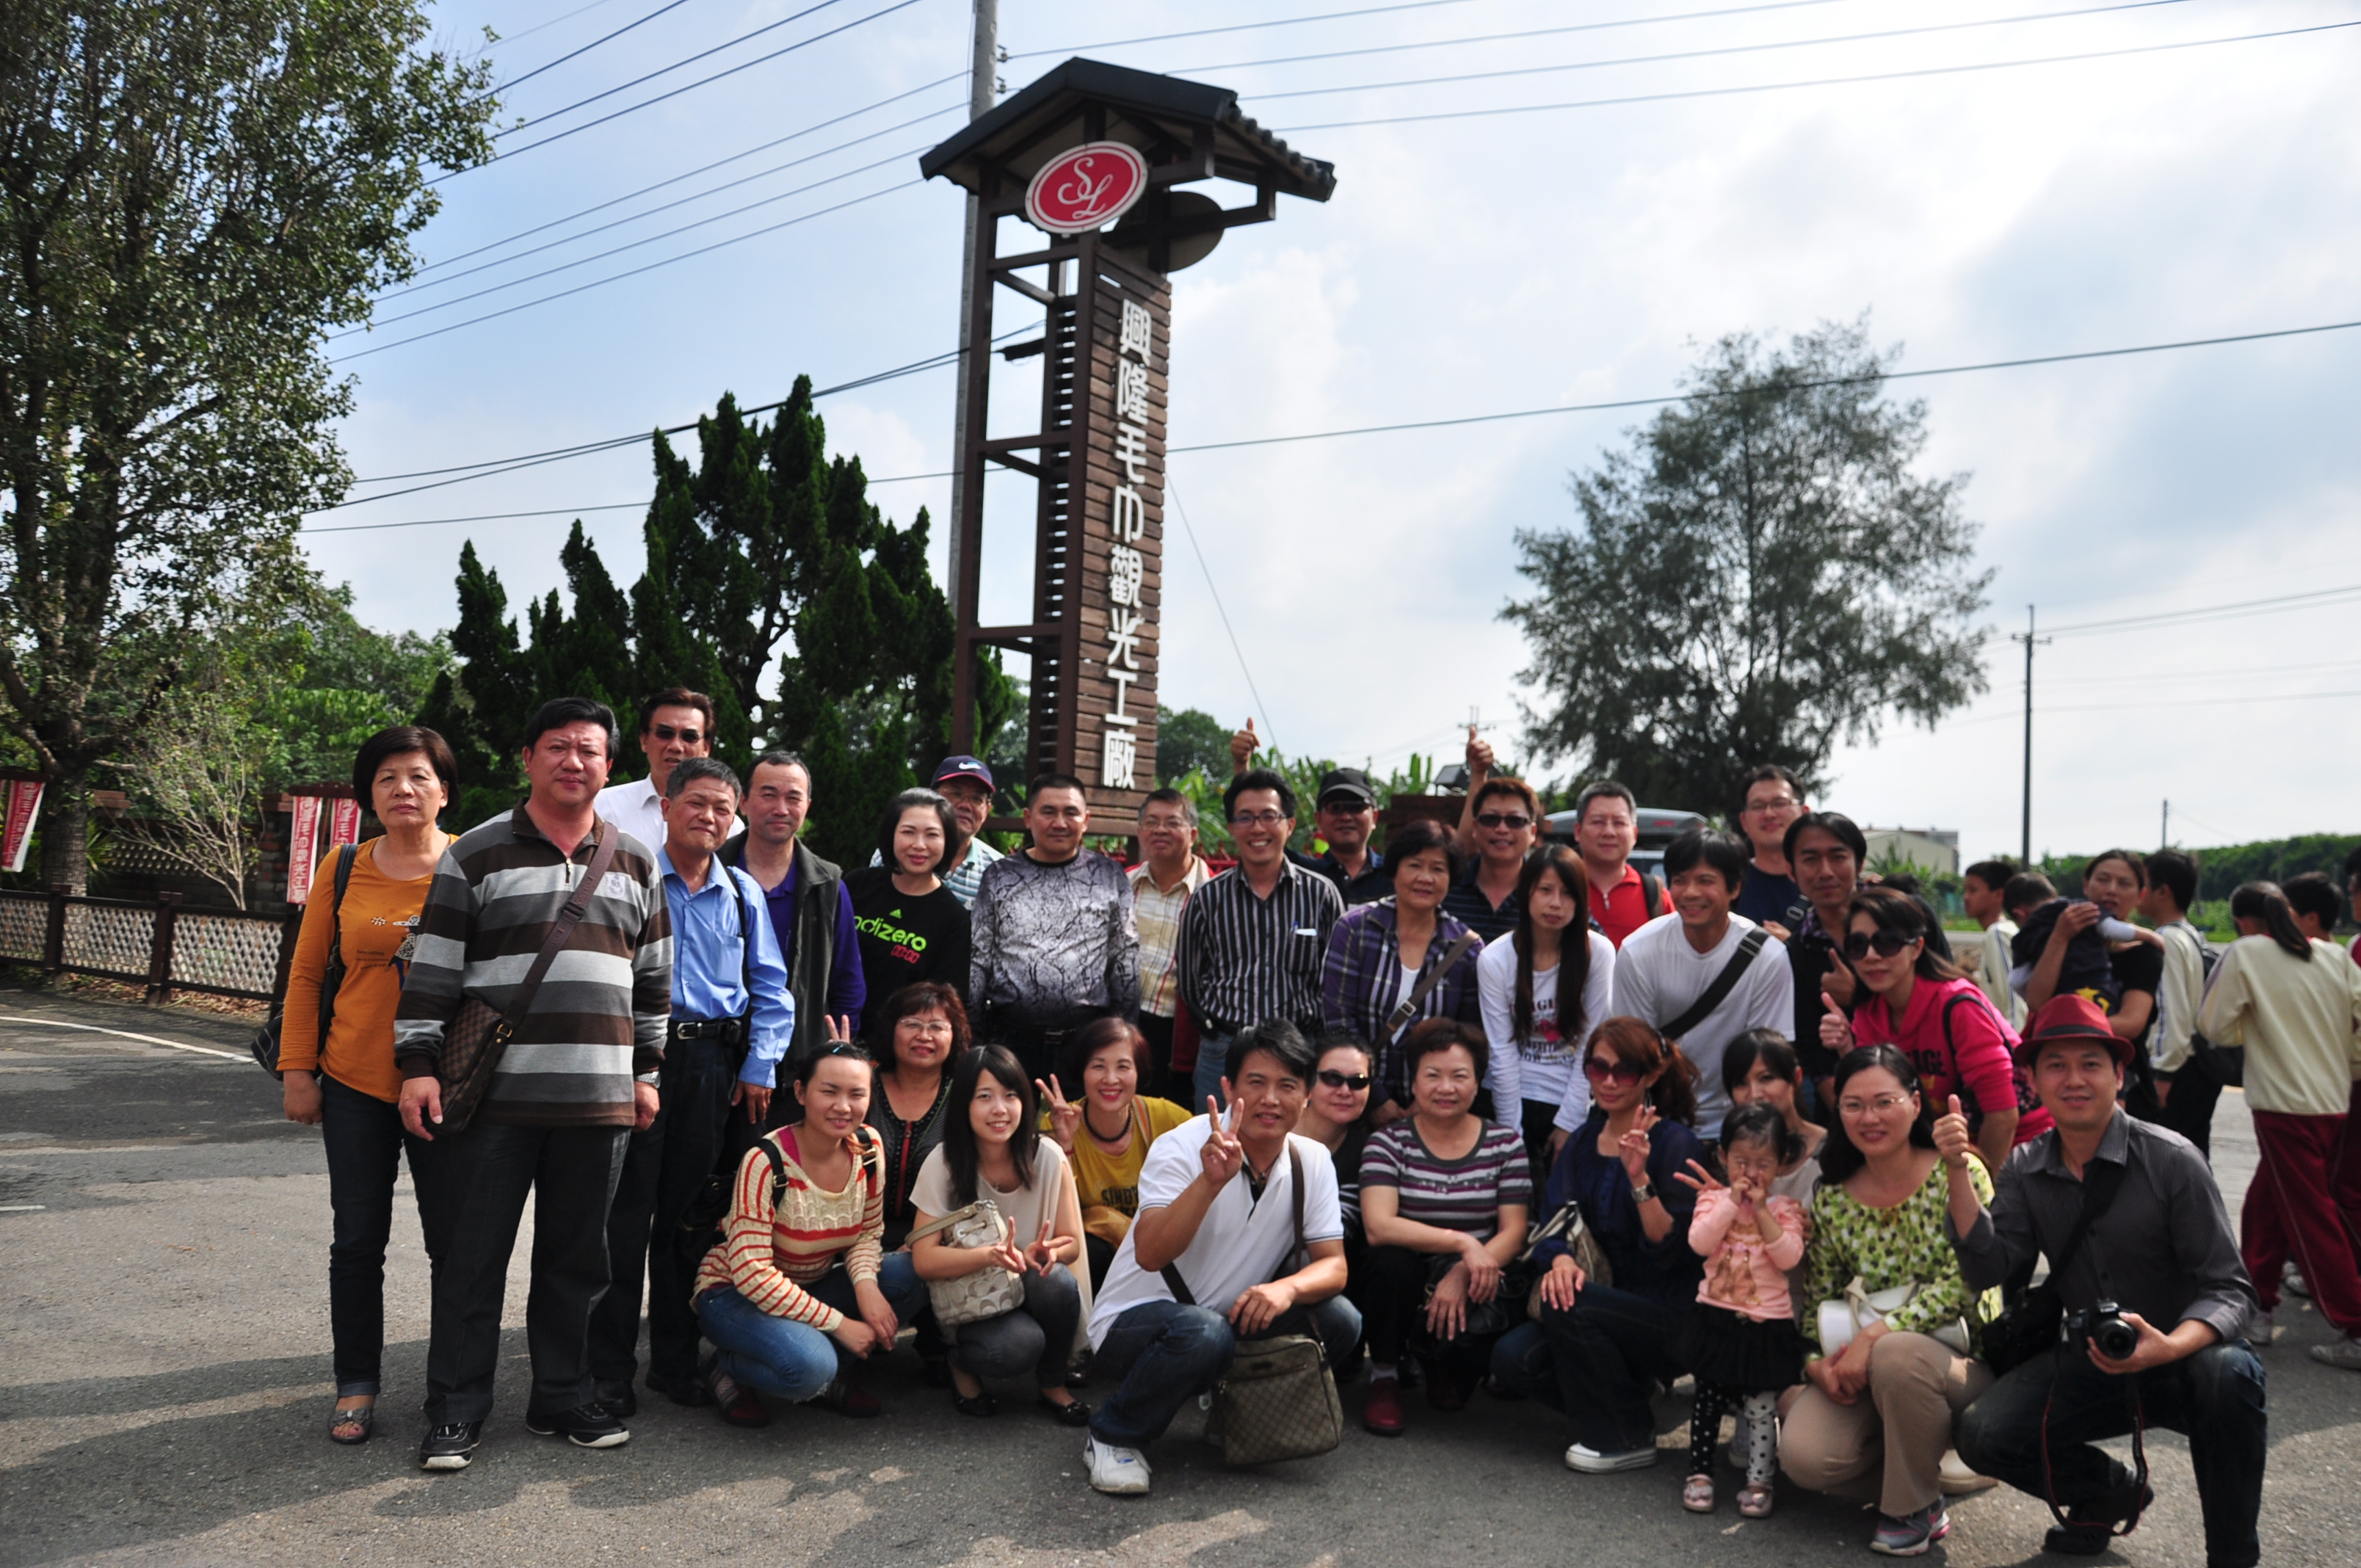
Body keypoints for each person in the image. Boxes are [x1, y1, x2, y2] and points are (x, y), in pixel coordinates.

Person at [394, 697, 672, 1472]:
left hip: (599, 1102)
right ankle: (454, 1412)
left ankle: (561, 1395)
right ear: (528, 758)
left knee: (578, 1263)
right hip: (492, 1103)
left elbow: (653, 983)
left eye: (588, 750)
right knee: (472, 1260)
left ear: (607, 766)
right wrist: (417, 1066)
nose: (573, 762)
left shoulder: (637, 861)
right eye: (557, 747)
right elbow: (433, 972)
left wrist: (647, 1074)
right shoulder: (476, 854)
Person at [1945, 995, 2266, 1568]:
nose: (2074, 1079)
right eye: (2056, 1065)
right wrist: (1956, 1171)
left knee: (2228, 1374)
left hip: (2182, 1355)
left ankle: (2233, 1556)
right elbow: (1988, 1268)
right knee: (1982, 1434)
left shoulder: (2172, 1160)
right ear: (2033, 1080)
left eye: (2091, 1064)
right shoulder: (2025, 1166)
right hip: (2093, 1356)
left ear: (2120, 1074)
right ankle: (2104, 1491)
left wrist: (2170, 1345)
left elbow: (2230, 1289)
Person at [591, 757, 795, 1418]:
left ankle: (676, 1363)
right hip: (638, 1062)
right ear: (669, 808)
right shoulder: (630, 879)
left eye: (721, 808)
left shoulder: (742, 891)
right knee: (623, 1221)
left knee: (689, 1222)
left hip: (713, 1069)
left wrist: (760, 1064)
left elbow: (770, 988)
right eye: (697, 804)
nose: (709, 817)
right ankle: (609, 1370)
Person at [1080, 1023, 1360, 1495]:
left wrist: (1284, 1288)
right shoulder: (1183, 1147)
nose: (1271, 1099)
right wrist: (1209, 1181)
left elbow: (1334, 1265)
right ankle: (1112, 1435)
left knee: (1340, 1320)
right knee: (1202, 1334)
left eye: (1287, 1085)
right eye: (1256, 1082)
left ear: (1307, 1095)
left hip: (1224, 1322)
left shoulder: (1311, 1159)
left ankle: (1237, 1411)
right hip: (1132, 1325)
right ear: (1227, 1087)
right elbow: (1149, 1254)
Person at [279, 725, 459, 1446]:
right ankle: (356, 1383)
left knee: (452, 1244)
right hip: (354, 1079)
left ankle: (452, 1384)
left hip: (447, 1085)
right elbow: (305, 971)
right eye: (387, 778)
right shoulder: (344, 865)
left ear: (444, 789)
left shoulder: (472, 864)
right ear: (370, 794)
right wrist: (299, 1071)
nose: (403, 790)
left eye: (418, 776)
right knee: (357, 1241)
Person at [1779, 1045, 2001, 1556]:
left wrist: (1876, 1337)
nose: (1869, 1117)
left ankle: (1912, 1507)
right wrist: (1817, 1365)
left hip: (1960, 1363)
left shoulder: (1959, 1173)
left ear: (1916, 1104)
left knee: (1897, 1353)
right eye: (1853, 1105)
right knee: (1805, 1460)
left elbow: (1966, 1282)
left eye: (1885, 1102)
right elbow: (1820, 1295)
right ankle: (1929, 1466)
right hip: (1863, 1365)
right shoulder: (1832, 1194)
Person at [1489, 1017, 1708, 1473]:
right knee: (1513, 1358)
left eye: (1624, 1071)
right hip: (1597, 1305)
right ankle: (1626, 1394)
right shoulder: (1585, 1139)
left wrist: (1639, 1179)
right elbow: (1553, 1218)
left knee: (1570, 1303)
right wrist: (1563, 1259)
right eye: (1597, 1067)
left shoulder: (1675, 1142)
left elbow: (1676, 1252)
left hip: (1667, 1315)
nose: (1609, 1081)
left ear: (1650, 1076)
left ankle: (1623, 1434)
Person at [691, 1039, 926, 1426]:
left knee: (908, 1276)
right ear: (801, 1092)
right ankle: (729, 1367)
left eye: (856, 1094)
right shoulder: (764, 1160)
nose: (843, 1106)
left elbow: (869, 1232)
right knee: (808, 1368)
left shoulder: (868, 1147)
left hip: (806, 1287)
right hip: (733, 1295)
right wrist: (839, 1323)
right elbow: (752, 1274)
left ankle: (825, 1365)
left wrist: (866, 1286)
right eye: (829, 1092)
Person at [2199, 881, 2361, 1366]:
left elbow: (2213, 1025)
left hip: (2281, 1104)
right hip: (2333, 1100)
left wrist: (2260, 1028)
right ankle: (2258, 1305)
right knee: (2267, 1204)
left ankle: (2355, 1320)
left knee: (2310, 1218)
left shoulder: (2248, 952)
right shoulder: (2334, 956)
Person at [1354, 1019, 1531, 1434]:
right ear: (1413, 1083)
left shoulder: (1505, 1144)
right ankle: (1384, 1375)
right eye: (1432, 1076)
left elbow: (1515, 1231)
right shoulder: (1387, 1142)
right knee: (1387, 1263)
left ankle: (1443, 1364)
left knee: (1512, 1273)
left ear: (1477, 1083)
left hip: (1476, 1277)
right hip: (1411, 1272)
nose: (1446, 1088)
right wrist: (1463, 1243)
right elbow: (1379, 1226)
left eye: (1459, 1076)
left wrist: (1463, 1266)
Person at [911, 1045, 1092, 1423]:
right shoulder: (942, 1163)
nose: (1000, 1109)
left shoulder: (1048, 1156)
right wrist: (990, 1255)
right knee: (1017, 1347)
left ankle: (1052, 1385)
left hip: (1029, 1284)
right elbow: (924, 1259)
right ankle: (960, 1363)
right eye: (985, 1097)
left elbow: (1073, 1242)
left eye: (1011, 1096)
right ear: (964, 1105)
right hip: (973, 1298)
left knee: (1057, 1282)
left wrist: (1050, 1253)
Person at [1821, 886, 2047, 1172]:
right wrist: (1846, 1049)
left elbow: (2003, 1116)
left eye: (1887, 942)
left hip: (2017, 1153)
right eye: (1857, 945)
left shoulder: (1958, 1005)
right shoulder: (1869, 1012)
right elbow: (1876, 1098)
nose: (1871, 955)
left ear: (1917, 947)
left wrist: (1980, 1195)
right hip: (1946, 1153)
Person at [1173, 767, 1345, 1107]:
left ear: (1289, 825)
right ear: (1232, 827)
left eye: (1269, 816)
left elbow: (1337, 980)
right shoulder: (1207, 899)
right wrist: (1214, 1028)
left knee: (1297, 1153)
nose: (1257, 828)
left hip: (1300, 1051)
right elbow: (1190, 983)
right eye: (1245, 818)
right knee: (1216, 1147)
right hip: (1224, 1052)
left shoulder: (1321, 895)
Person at [1669, 1105, 1810, 1517]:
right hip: (1715, 1317)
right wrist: (1730, 1201)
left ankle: (1760, 1481)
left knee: (1762, 1408)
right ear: (1724, 1157)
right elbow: (1699, 1242)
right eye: (1741, 1161)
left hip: (1766, 1325)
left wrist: (1762, 1210)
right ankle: (1699, 1473)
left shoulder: (1784, 1209)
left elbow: (1789, 1257)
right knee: (1708, 1401)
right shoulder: (1712, 1200)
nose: (1751, 1172)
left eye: (1764, 1163)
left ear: (1781, 1164)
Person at [1606, 828, 1794, 1138]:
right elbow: (1632, 1053)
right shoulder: (1639, 950)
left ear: (1735, 888)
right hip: (1661, 1125)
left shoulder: (1768, 956)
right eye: (1679, 880)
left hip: (1743, 1128)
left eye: (1705, 881)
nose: (1690, 892)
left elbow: (1768, 1060)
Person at [970, 774, 1141, 1081]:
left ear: (1086, 820)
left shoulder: (1109, 876)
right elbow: (978, 957)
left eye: (1071, 812)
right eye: (1048, 812)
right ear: (1028, 818)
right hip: (1010, 1039)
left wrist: (1122, 1034)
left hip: (1088, 1042)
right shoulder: (1000, 876)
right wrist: (973, 1034)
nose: (1059, 822)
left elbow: (1124, 959)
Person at [1320, 816, 1488, 1123]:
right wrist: (1376, 1097)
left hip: (1433, 1108)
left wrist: (1426, 1101)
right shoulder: (1354, 930)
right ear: (1394, 869)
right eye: (1414, 865)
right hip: (1353, 1100)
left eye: (1438, 869)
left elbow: (1468, 1036)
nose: (1425, 877)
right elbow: (1338, 1021)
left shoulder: (1466, 950)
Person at [1478, 843, 1617, 1189]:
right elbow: (1502, 1050)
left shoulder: (1597, 952)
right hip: (1510, 1096)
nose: (1556, 903)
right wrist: (1512, 1137)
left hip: (1572, 1095)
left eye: (1568, 894)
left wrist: (1570, 1123)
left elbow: (1592, 1043)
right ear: (1526, 893)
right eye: (1545, 890)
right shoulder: (1495, 959)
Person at [722, 751, 863, 1072]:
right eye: (768, 795)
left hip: (802, 1059)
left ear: (808, 806)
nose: (781, 809)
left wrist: (839, 1049)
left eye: (793, 798)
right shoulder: (711, 871)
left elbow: (847, 977)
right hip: (720, 1057)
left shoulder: (827, 884)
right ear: (743, 802)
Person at [865, 981, 970, 1388]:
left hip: (934, 1235)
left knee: (921, 1266)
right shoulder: (863, 1085)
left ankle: (937, 1341)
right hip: (857, 1233)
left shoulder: (965, 1097)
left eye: (938, 1027)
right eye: (912, 1023)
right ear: (892, 1029)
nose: (924, 1036)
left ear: (954, 1036)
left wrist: (928, 1236)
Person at [1038, 1017, 1192, 1288]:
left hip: (1162, 1255)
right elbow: (1054, 1216)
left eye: (1123, 1067)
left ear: (1139, 1071)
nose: (1110, 1080)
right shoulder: (1058, 1123)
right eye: (1098, 1067)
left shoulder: (1168, 1118)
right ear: (1082, 1071)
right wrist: (1065, 1145)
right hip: (1098, 1265)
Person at [2022, 853, 2164, 1108]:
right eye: (2103, 879)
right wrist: (2061, 937)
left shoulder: (2144, 953)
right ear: (2086, 886)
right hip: (2064, 1085)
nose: (2111, 890)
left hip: (2124, 1088)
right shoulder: (2062, 937)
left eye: (2124, 884)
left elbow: (2131, 1023)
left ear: (2140, 895)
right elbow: (2037, 1001)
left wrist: (2062, 1031)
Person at [844, 788, 972, 1011]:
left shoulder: (953, 918)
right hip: (837, 1027)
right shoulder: (857, 885)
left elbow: (947, 1000)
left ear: (947, 841)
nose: (919, 845)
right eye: (908, 832)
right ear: (891, 834)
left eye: (932, 835)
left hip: (901, 1037)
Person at [1128, 787, 1212, 1097]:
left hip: (1183, 1037)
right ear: (1139, 832)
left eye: (1172, 822)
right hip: (1127, 1027)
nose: (1160, 830)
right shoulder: (1123, 885)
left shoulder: (1213, 895)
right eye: (1152, 822)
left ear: (1192, 834)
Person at [2139, 849, 2223, 1156]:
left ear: (2163, 892)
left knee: (2167, 1164)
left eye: (2142, 883)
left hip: (2176, 1072)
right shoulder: (2190, 935)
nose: (2137, 891)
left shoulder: (2167, 940)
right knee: (2192, 1158)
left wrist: (2163, 1074)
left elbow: (2171, 1013)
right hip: (2197, 1069)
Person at [1783, 811, 1870, 1104]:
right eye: (1810, 860)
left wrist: (1859, 994)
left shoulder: (1908, 918)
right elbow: (1816, 1056)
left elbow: (1940, 990)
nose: (1826, 872)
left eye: (1838, 857)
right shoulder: (1797, 951)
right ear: (1791, 871)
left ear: (1860, 862)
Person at [593, 687, 735, 852]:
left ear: (706, 748)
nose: (676, 746)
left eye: (689, 737)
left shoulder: (729, 826)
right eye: (665, 733)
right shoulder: (602, 807)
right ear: (644, 740)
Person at [868, 754, 1005, 909]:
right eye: (956, 794)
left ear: (987, 810)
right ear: (932, 798)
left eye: (976, 799)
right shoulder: (894, 854)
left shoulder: (998, 873)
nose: (966, 805)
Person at [1295, 1036, 1379, 1250]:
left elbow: (1336, 1232)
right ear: (1309, 1082)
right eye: (1332, 1078)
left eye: (1358, 1082)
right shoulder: (1273, 1129)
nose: (1344, 1091)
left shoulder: (1367, 1152)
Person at [1444, 774, 1542, 943]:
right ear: (1474, 828)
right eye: (1491, 819)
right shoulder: (1446, 886)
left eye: (1515, 820)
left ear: (1533, 832)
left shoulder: (1550, 891)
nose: (1502, 829)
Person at [1570, 780, 1664, 948]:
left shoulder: (1655, 895)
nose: (1609, 832)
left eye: (1619, 823)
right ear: (1578, 831)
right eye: (1598, 822)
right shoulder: (1561, 887)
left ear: (1634, 834)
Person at [1733, 766, 1808, 932]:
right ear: (1744, 821)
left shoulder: (1827, 882)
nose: (1769, 814)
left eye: (1779, 803)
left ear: (1805, 813)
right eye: (1758, 806)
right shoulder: (1729, 885)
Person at [1960, 860, 2024, 1028]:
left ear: (1999, 895)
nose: (1966, 898)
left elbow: (2015, 1001)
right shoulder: (1999, 932)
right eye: (1965, 891)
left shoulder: (1998, 933)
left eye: (1973, 890)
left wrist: (2014, 1049)